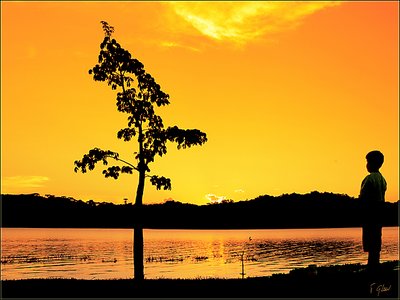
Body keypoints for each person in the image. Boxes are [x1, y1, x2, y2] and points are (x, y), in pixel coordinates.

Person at [359, 150, 387, 271]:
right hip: (380, 212)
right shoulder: (382, 179)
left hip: (370, 211)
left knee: (370, 237)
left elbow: (363, 196)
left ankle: (371, 265)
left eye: (367, 162)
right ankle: (375, 262)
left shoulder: (369, 179)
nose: (366, 165)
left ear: (371, 163)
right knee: (376, 237)